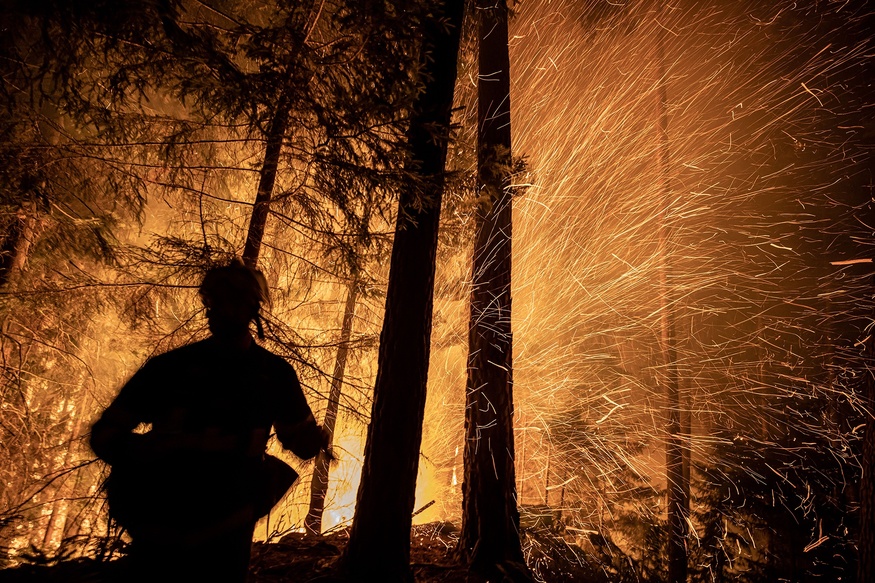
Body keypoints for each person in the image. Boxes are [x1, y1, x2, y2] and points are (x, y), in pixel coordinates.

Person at [90, 258, 330, 582]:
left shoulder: (272, 374)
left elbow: (300, 442)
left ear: (250, 309)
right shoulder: (169, 369)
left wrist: (312, 439)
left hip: (227, 521)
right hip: (162, 517)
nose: (217, 311)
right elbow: (105, 436)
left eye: (228, 302)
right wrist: (162, 448)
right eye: (214, 302)